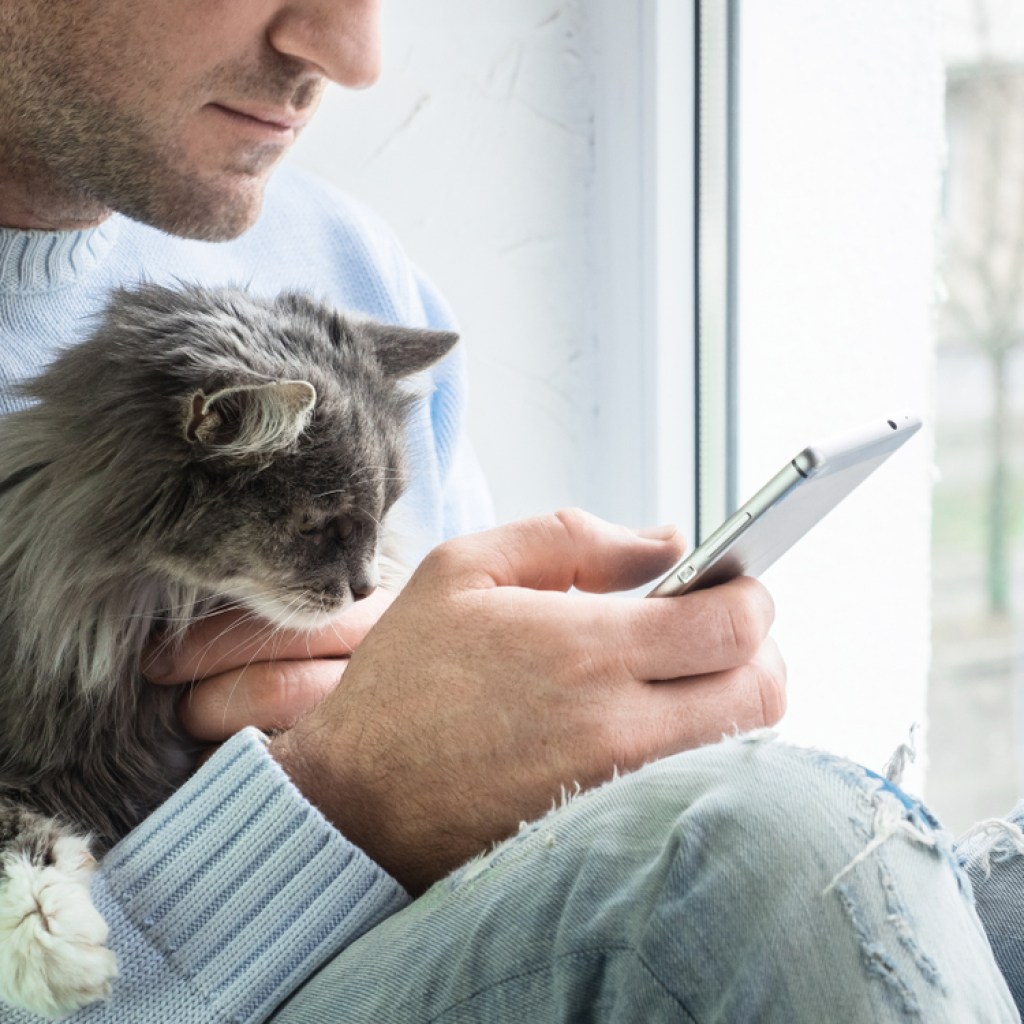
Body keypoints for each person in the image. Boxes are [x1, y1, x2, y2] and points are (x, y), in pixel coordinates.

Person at [0, 0, 1020, 1020]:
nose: (355, 57)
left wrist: (546, 735)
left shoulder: (336, 262)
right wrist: (343, 800)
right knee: (782, 847)